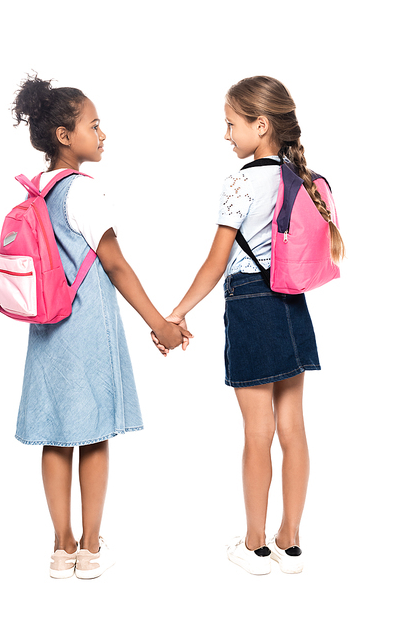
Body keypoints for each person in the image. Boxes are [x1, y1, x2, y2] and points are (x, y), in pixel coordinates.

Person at [152, 76, 344, 575]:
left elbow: (216, 263)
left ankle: (256, 545)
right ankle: (291, 543)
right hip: (292, 306)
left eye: (231, 124)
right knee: (294, 429)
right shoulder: (298, 177)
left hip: (251, 306)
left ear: (261, 126)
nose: (226, 134)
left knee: (257, 433)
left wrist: (177, 311)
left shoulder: (239, 180)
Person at [12, 74, 191, 580]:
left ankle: (60, 545)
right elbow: (116, 266)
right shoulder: (84, 192)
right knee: (91, 434)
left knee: (54, 433)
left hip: (47, 326)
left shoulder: (39, 191)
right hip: (85, 323)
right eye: (94, 125)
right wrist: (161, 323)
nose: (102, 133)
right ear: (65, 136)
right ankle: (90, 548)